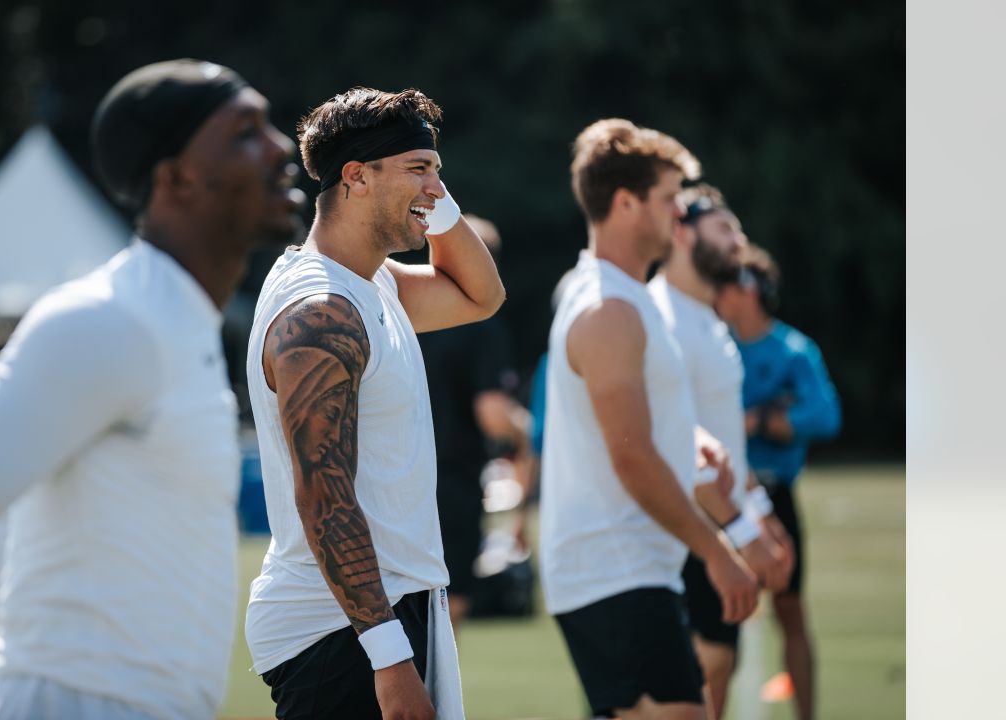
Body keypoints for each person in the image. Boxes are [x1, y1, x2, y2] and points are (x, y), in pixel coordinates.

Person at [0, 59, 306, 720]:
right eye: (245, 132)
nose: (282, 148)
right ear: (176, 179)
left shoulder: (176, 328)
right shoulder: (111, 319)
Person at [245, 87, 505, 720]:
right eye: (420, 168)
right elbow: (324, 495)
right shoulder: (320, 309)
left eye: (438, 170)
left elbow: (481, 295)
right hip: (342, 628)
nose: (437, 188)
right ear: (357, 177)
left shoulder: (371, 281)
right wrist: (390, 657)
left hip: (380, 611)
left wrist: (431, 204)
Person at [539, 118, 759, 720]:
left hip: (629, 569)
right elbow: (630, 456)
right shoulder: (609, 308)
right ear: (626, 202)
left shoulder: (629, 297)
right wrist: (718, 551)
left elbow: (640, 428)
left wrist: (693, 442)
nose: (678, 217)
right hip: (613, 569)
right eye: (669, 201)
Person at [648, 183, 795, 719]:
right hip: (683, 530)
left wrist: (762, 518)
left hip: (720, 518)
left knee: (717, 666)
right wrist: (742, 535)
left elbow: (722, 438)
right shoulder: (661, 318)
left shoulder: (708, 318)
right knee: (689, 675)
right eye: (725, 228)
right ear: (683, 234)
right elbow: (680, 444)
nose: (740, 240)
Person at [715, 244, 841, 720]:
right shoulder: (712, 342)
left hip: (774, 491)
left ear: (748, 290)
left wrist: (763, 421)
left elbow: (825, 415)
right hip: (720, 494)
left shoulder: (792, 349)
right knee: (719, 622)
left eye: (725, 281)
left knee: (790, 611)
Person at [415, 214, 535, 633]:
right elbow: (495, 416)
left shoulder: (402, 309)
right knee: (447, 613)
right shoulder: (481, 325)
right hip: (451, 483)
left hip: (393, 478)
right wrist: (527, 431)